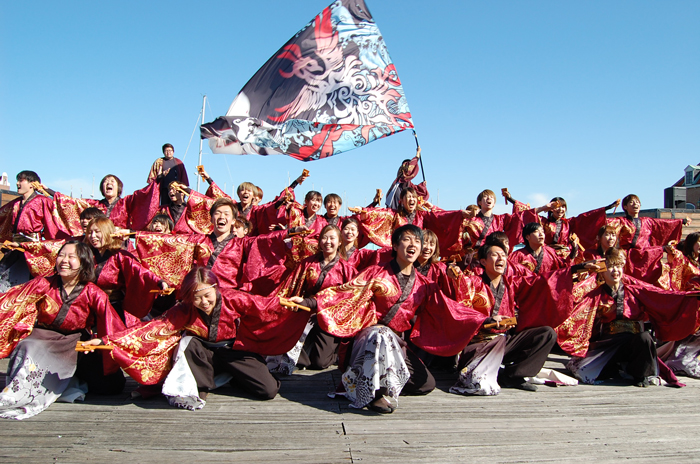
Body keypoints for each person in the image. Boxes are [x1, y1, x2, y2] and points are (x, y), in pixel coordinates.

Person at [291, 225, 486, 413]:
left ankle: (371, 377)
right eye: (407, 239)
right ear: (395, 246)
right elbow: (345, 293)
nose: (413, 244)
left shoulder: (424, 284)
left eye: (417, 241)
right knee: (381, 333)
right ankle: (376, 393)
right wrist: (310, 302)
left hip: (397, 341)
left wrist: (481, 321)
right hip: (368, 339)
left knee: (425, 384)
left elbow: (447, 309)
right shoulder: (376, 272)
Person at [87, 267, 282, 410]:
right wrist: (107, 341)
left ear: (215, 288)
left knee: (268, 390)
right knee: (189, 343)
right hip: (203, 352)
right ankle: (202, 384)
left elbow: (263, 306)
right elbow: (154, 328)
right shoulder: (184, 309)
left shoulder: (233, 298)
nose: (204, 302)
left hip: (233, 350)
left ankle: (229, 376)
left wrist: (289, 304)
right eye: (197, 298)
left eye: (207, 295)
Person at [0, 241, 125, 419]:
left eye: (71, 257)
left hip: (77, 341)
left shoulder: (93, 292)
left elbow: (112, 321)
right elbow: (11, 301)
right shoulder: (43, 284)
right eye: (61, 255)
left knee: (112, 385)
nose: (64, 261)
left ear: (83, 262)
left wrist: (101, 341)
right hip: (42, 337)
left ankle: (70, 382)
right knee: (27, 346)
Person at [561, 248, 700, 386]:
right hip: (608, 344)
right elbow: (571, 304)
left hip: (634, 341)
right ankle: (616, 368)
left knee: (645, 338)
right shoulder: (595, 294)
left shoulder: (634, 290)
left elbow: (660, 296)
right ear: (602, 271)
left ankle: (641, 375)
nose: (615, 271)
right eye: (610, 267)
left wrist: (689, 297)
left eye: (619, 266)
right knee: (593, 372)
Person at [449, 241, 561, 396]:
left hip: (504, 341)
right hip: (479, 345)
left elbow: (541, 283)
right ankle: (490, 370)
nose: (500, 258)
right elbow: (462, 311)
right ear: (483, 261)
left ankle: (513, 375)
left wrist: (574, 271)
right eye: (495, 255)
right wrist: (487, 321)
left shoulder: (512, 283)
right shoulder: (472, 283)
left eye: (503, 255)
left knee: (547, 333)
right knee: (479, 380)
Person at [268, 225, 356, 374]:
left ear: (340, 242)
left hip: (330, 317)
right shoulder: (308, 262)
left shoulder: (347, 269)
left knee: (320, 363)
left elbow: (346, 299)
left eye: (332, 238)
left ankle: (332, 350)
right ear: (319, 241)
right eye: (324, 237)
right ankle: (302, 354)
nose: (328, 242)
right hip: (305, 311)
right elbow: (292, 284)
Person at [84, 217, 168, 324]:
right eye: (90, 232)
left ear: (107, 232)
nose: (93, 236)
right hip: (87, 307)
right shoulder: (86, 255)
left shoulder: (120, 256)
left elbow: (140, 271)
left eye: (97, 232)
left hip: (112, 308)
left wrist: (159, 282)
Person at [509, 222, 577, 275]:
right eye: (536, 231)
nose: (541, 234)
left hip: (545, 291)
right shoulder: (517, 255)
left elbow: (563, 267)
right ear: (527, 237)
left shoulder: (551, 252)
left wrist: (574, 250)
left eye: (542, 231)